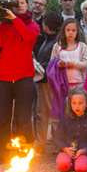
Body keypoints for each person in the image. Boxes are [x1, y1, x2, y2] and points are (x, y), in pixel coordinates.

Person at [0, 0, 40, 157]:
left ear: (27, 5)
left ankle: (24, 151)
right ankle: (2, 153)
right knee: (2, 117)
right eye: (15, 3)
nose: (19, 5)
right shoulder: (4, 25)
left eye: (22, 3)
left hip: (24, 76)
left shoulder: (33, 25)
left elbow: (27, 36)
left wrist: (14, 20)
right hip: (2, 76)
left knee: (23, 117)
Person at [33, 12, 63, 154]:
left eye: (44, 22)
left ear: (48, 25)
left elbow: (53, 63)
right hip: (43, 80)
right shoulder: (48, 39)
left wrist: (38, 66)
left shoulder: (56, 42)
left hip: (50, 81)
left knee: (52, 112)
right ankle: (41, 143)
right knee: (43, 112)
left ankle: (56, 144)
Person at [54, 89, 87, 172]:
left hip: (83, 152)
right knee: (62, 165)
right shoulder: (65, 118)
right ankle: (71, 164)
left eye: (80, 103)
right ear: (70, 104)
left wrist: (85, 151)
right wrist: (65, 148)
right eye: (74, 103)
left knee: (82, 168)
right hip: (67, 151)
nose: (77, 106)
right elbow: (58, 138)